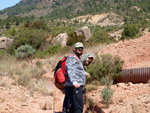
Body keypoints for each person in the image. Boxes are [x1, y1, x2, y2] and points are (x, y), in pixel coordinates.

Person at [62, 42, 87, 113]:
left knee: (72, 107)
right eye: (78, 48)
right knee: (78, 107)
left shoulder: (76, 58)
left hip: (72, 85)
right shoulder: (72, 57)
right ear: (74, 49)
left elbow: (75, 69)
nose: (80, 50)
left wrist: (84, 73)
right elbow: (70, 69)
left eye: (82, 48)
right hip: (74, 86)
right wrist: (74, 82)